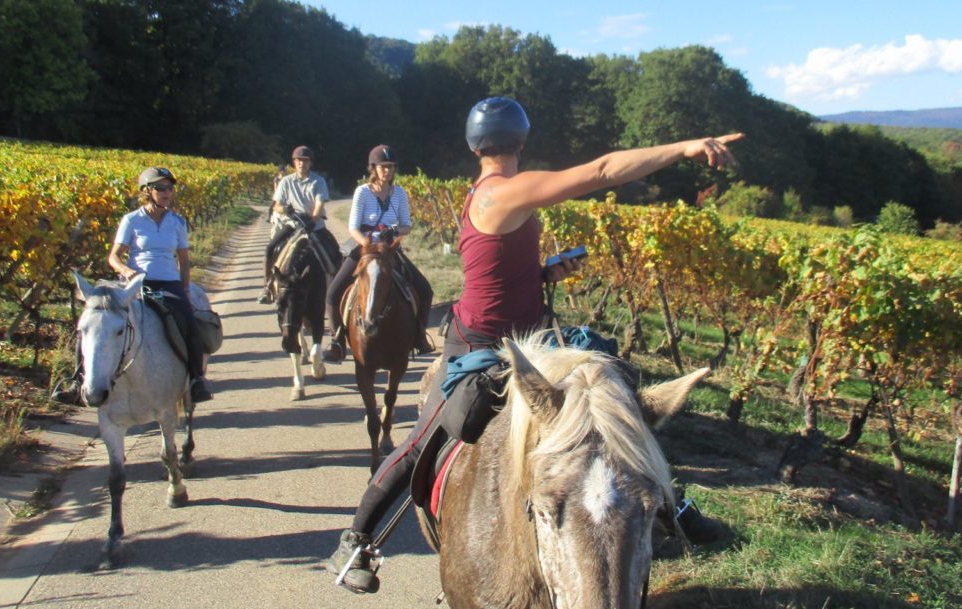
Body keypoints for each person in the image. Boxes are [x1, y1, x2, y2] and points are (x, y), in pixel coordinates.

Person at [326, 97, 742, 593]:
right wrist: (686, 147)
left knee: (616, 402)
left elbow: (501, 266)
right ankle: (357, 539)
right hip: (483, 342)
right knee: (433, 433)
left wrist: (545, 272)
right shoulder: (501, 192)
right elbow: (604, 169)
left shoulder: (490, 192)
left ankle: (670, 503)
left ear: (474, 144)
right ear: (521, 141)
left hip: (534, 334)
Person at [107, 166, 212, 403]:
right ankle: (79, 378)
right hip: (136, 283)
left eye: (170, 188)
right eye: (160, 188)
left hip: (168, 283)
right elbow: (113, 257)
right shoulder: (131, 220)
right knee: (101, 321)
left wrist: (184, 290)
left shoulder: (177, 222)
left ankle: (196, 378)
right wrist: (125, 270)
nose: (167, 193)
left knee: (190, 324)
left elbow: (184, 261)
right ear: (147, 191)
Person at [322, 145, 434, 363]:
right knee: (333, 293)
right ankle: (336, 341)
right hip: (365, 248)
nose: (387, 171)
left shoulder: (399, 193)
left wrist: (394, 231)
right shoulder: (362, 192)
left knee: (425, 290)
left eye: (391, 167)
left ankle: (419, 336)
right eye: (383, 167)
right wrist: (367, 245)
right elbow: (353, 227)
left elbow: (407, 225)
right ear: (374, 168)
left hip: (390, 249)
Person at [257, 146, 342, 304]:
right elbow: (276, 205)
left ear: (310, 163)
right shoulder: (285, 181)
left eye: (305, 161)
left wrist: (313, 221)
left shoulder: (318, 181)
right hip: (292, 225)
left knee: (334, 251)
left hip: (313, 225)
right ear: (294, 162)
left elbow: (319, 204)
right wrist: (285, 209)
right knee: (270, 248)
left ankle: (335, 290)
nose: (302, 164)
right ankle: (267, 287)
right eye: (298, 161)